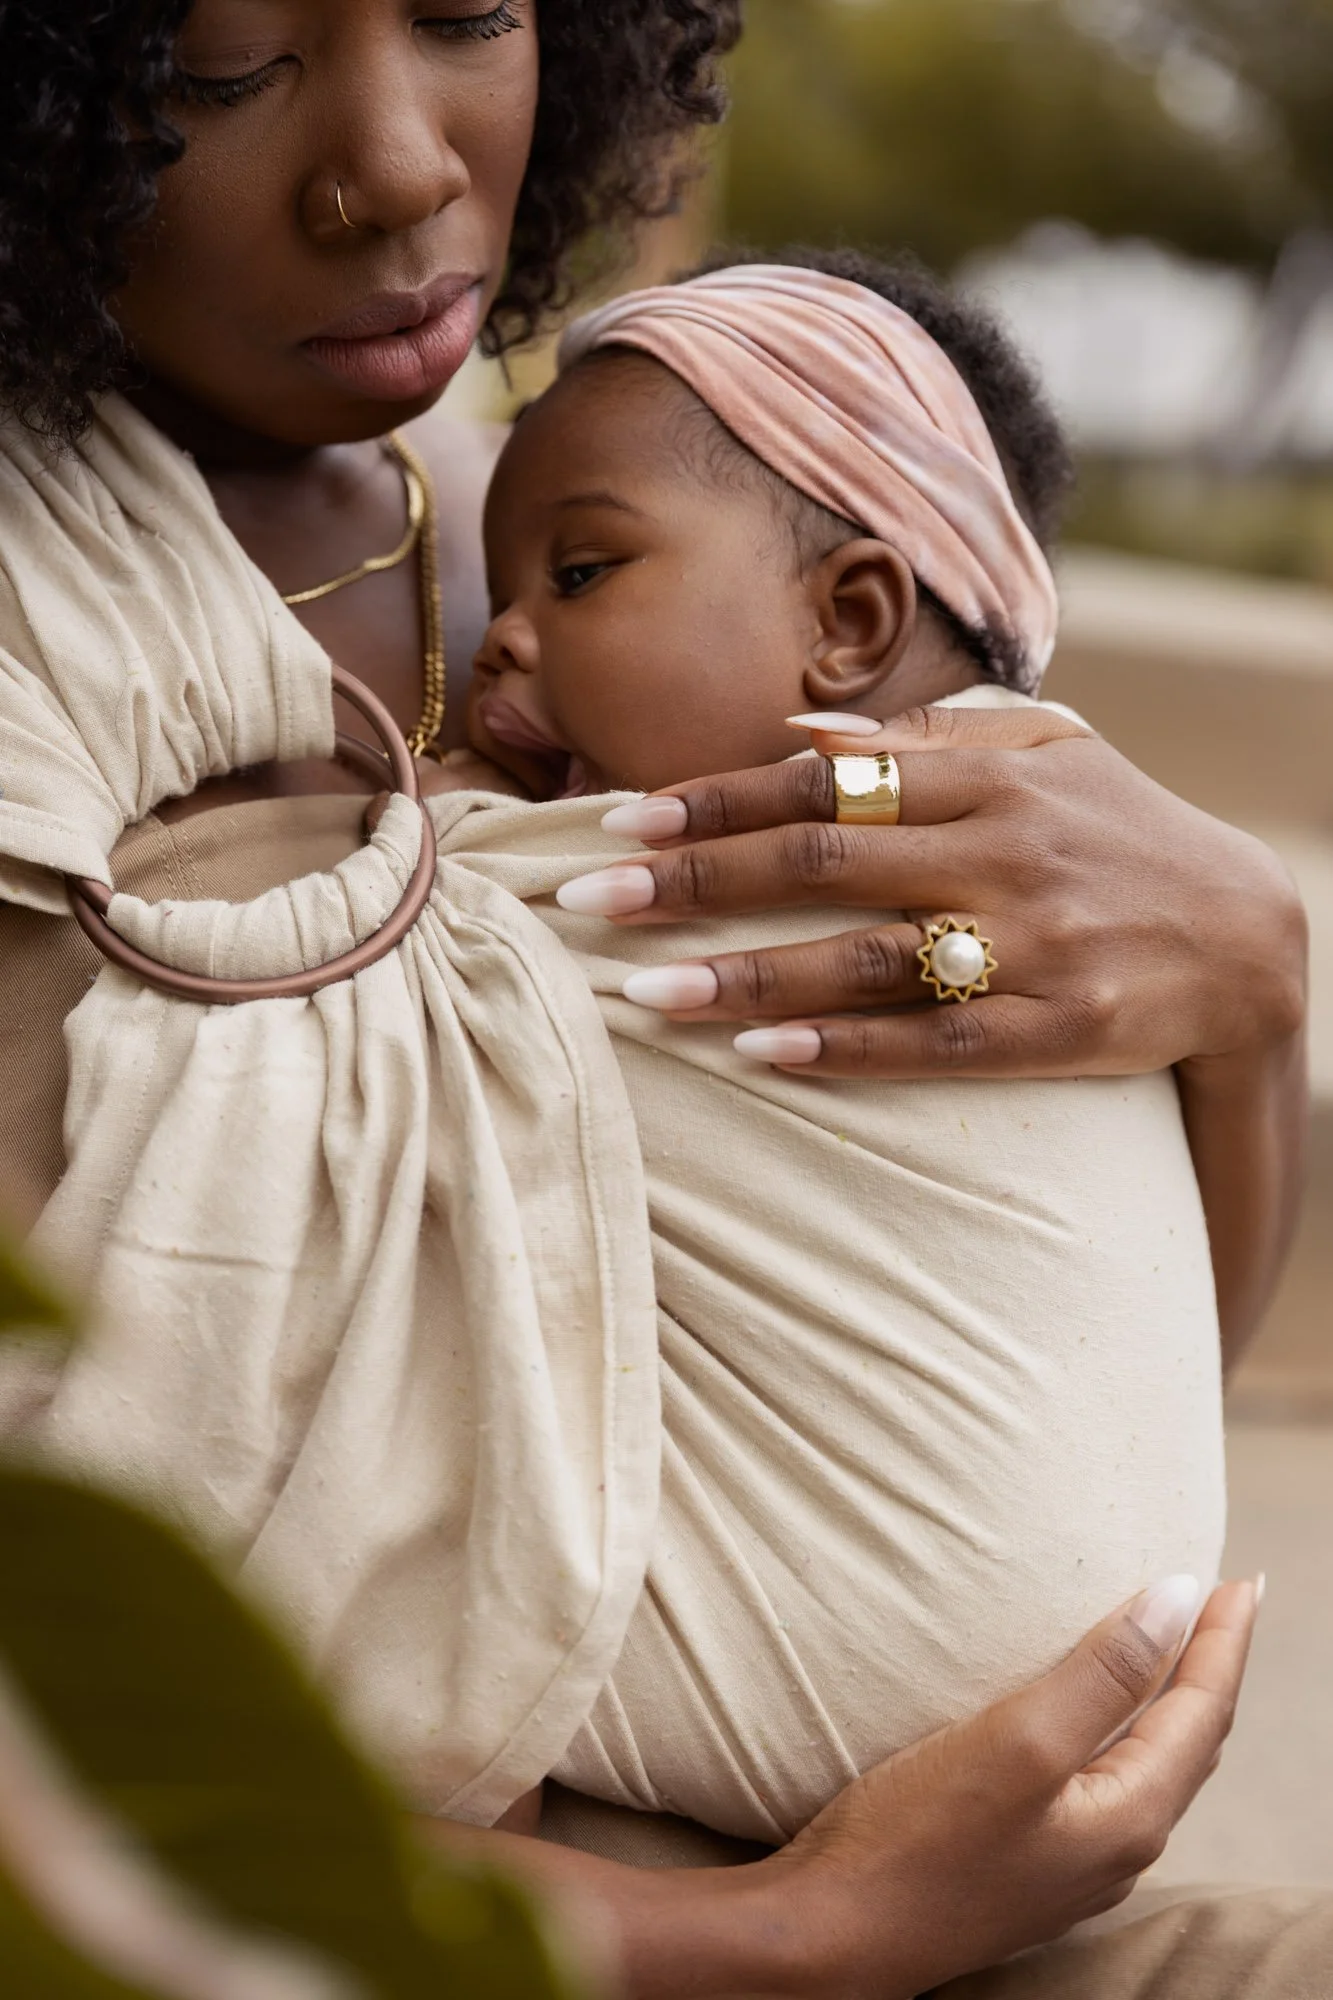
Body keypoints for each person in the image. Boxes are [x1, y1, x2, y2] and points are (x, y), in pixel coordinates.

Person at [0, 3, 1316, 1994]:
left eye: (467, 14)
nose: (401, 165)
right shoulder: (60, 629)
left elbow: (1040, 1344)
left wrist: (1244, 987)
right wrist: (801, 1929)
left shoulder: (539, 504)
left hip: (957, 1864)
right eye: (230, 62)